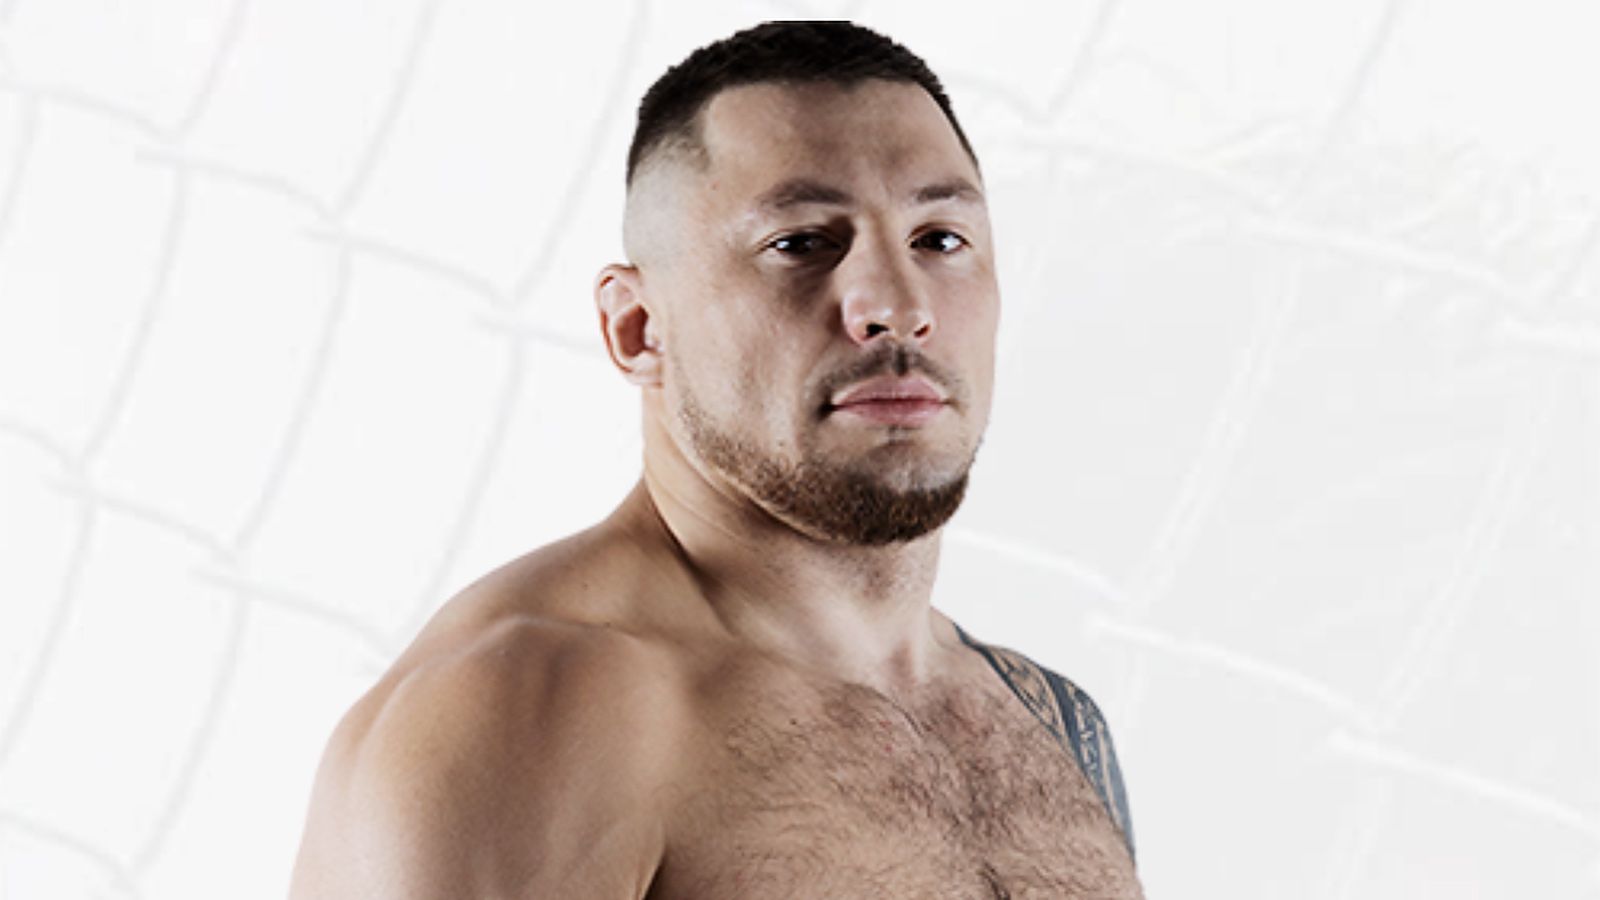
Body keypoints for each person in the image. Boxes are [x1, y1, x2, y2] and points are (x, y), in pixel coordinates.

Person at [289, 20, 1142, 899]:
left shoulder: (1048, 721)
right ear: (637, 328)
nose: (897, 305)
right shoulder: (525, 709)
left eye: (940, 239)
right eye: (800, 243)